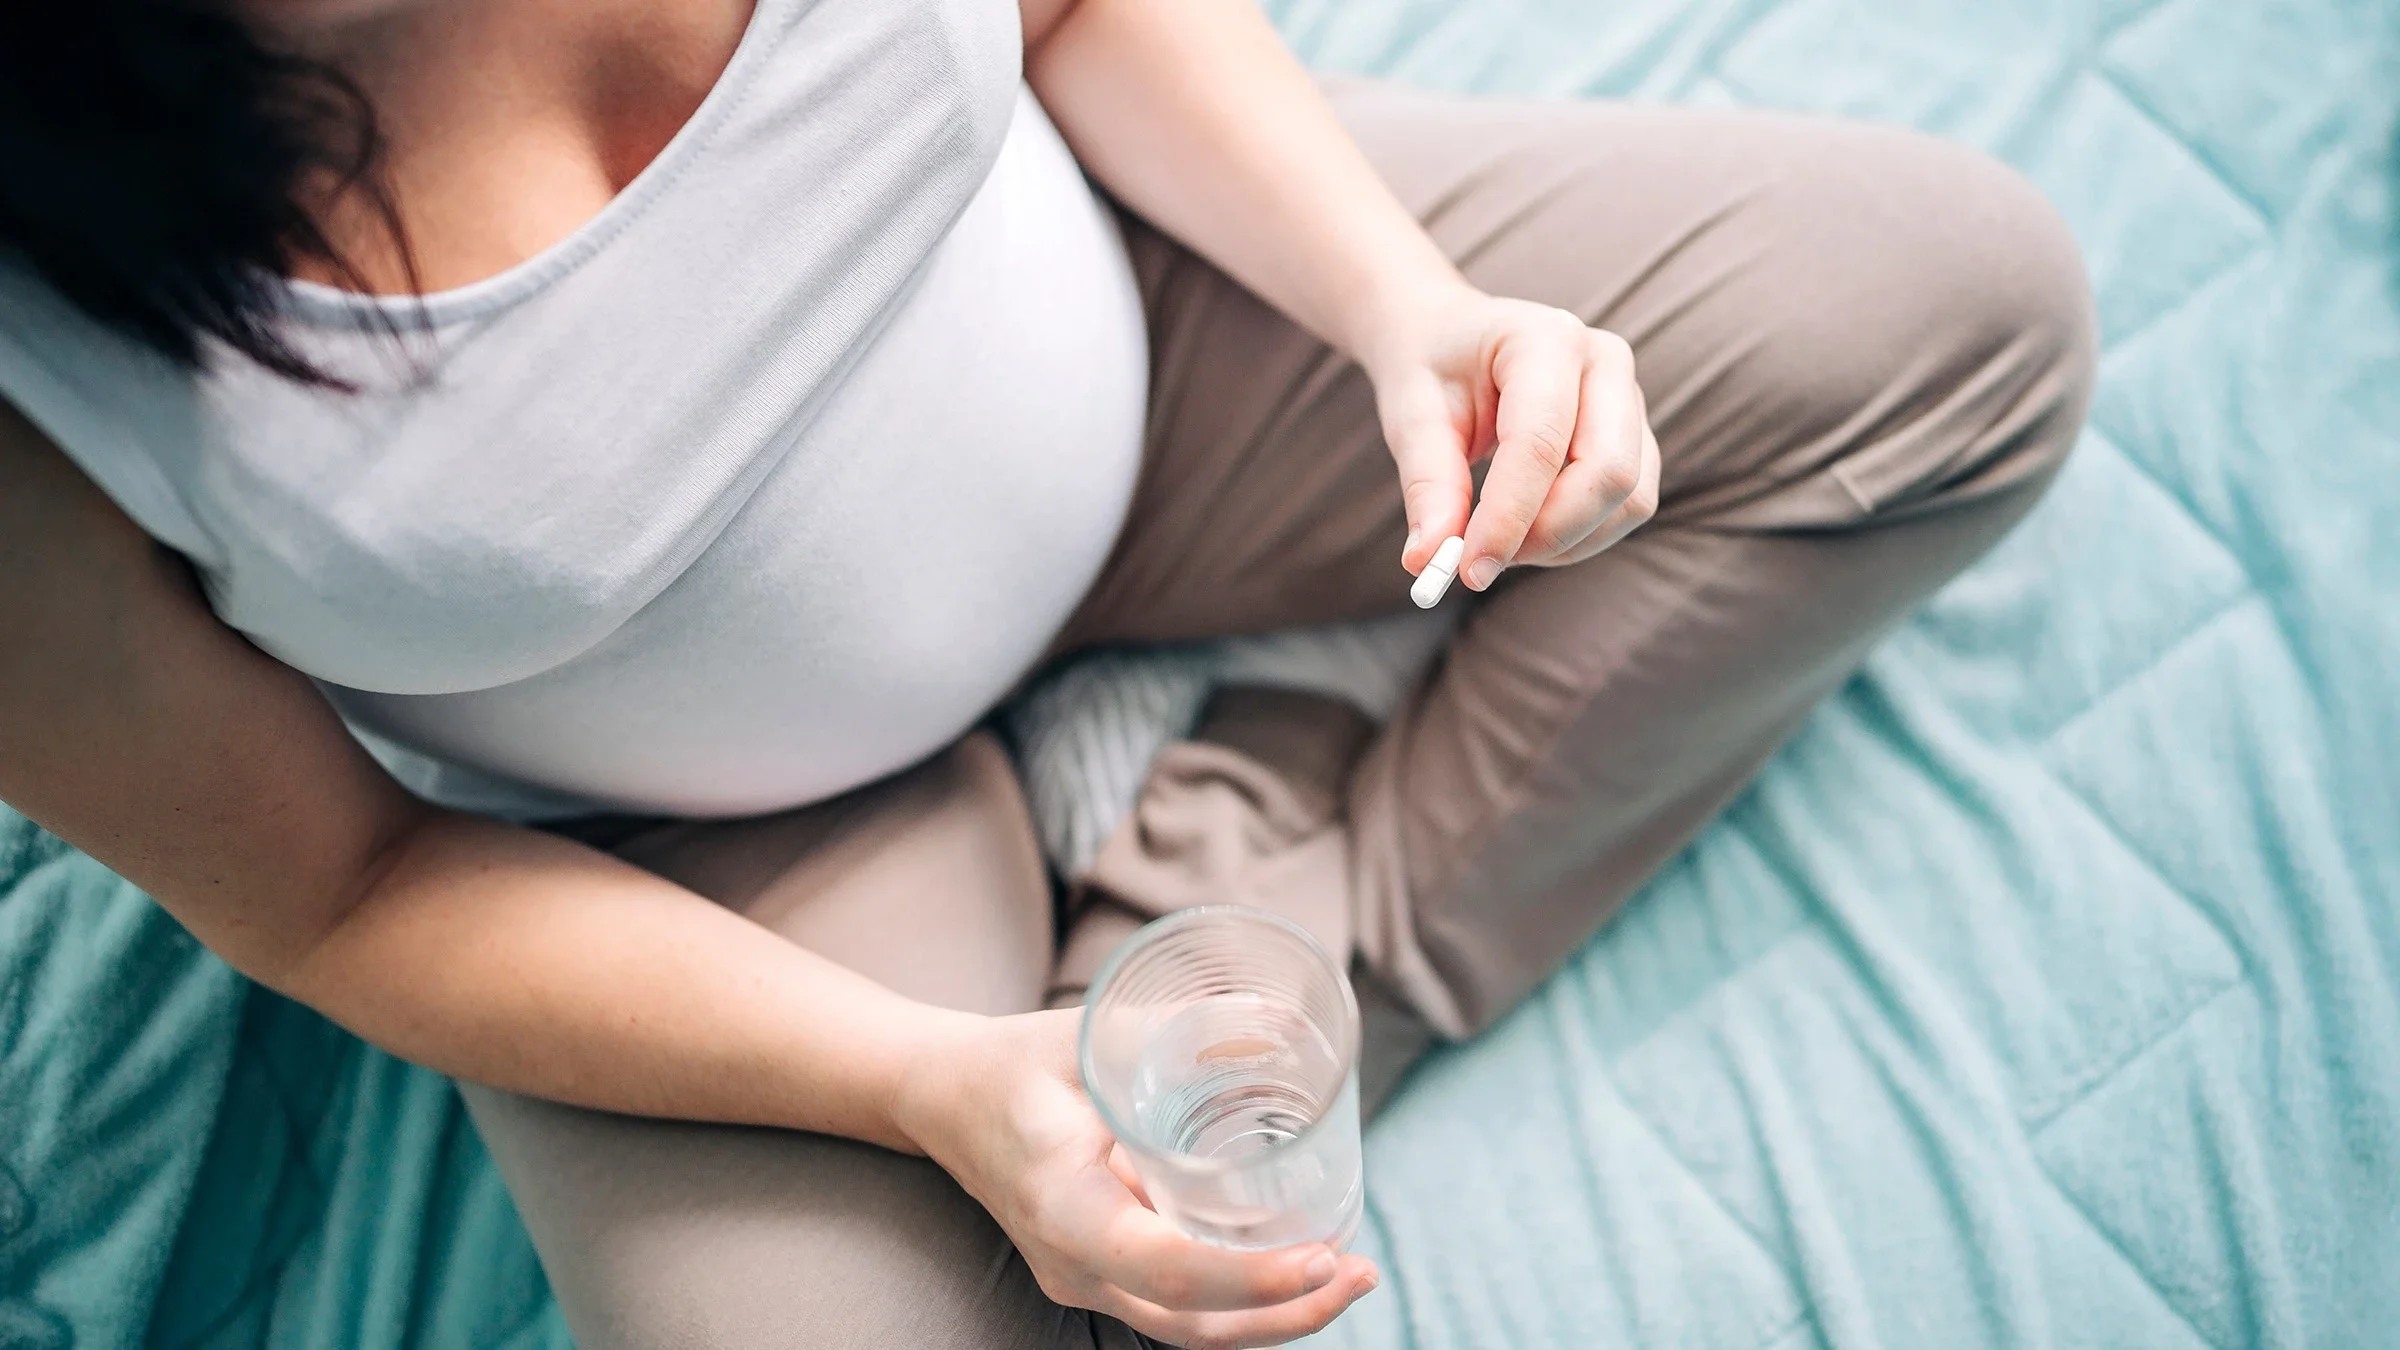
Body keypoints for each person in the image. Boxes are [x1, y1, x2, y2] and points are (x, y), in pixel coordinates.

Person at [0, 0, 2096, 1344]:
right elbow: (332, 886)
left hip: (1169, 348)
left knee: (1964, 315)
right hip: (696, 845)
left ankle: (1292, 908)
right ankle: (1227, 832)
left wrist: (1413, 313)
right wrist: (923, 1090)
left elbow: (1072, 3)